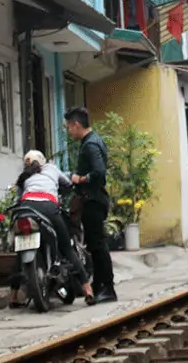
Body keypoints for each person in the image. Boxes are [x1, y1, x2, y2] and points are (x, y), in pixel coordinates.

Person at [8, 150, 94, 307]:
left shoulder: (24, 177)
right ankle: (88, 290)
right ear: (43, 161)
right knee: (66, 248)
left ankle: (13, 296)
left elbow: (18, 199)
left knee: (20, 251)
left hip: (26, 210)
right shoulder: (51, 169)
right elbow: (67, 185)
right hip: (48, 208)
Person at [65, 107, 117, 304]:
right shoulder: (92, 141)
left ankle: (108, 288)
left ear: (77, 125)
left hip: (93, 200)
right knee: (94, 245)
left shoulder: (91, 145)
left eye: (70, 128)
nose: (69, 132)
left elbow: (99, 173)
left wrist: (80, 179)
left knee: (98, 245)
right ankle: (98, 285)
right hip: (93, 199)